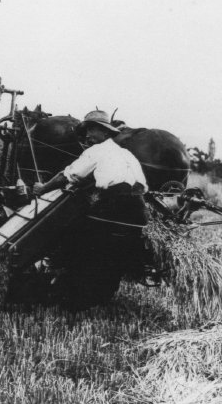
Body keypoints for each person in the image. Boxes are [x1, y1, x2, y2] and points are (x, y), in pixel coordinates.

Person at [32, 110, 149, 307]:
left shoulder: (95, 151)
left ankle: (63, 286)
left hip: (114, 206)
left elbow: (68, 175)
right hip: (139, 211)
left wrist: (42, 188)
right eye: (86, 131)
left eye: (92, 130)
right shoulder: (125, 153)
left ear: (105, 133)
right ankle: (101, 292)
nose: (87, 135)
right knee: (112, 254)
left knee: (70, 233)